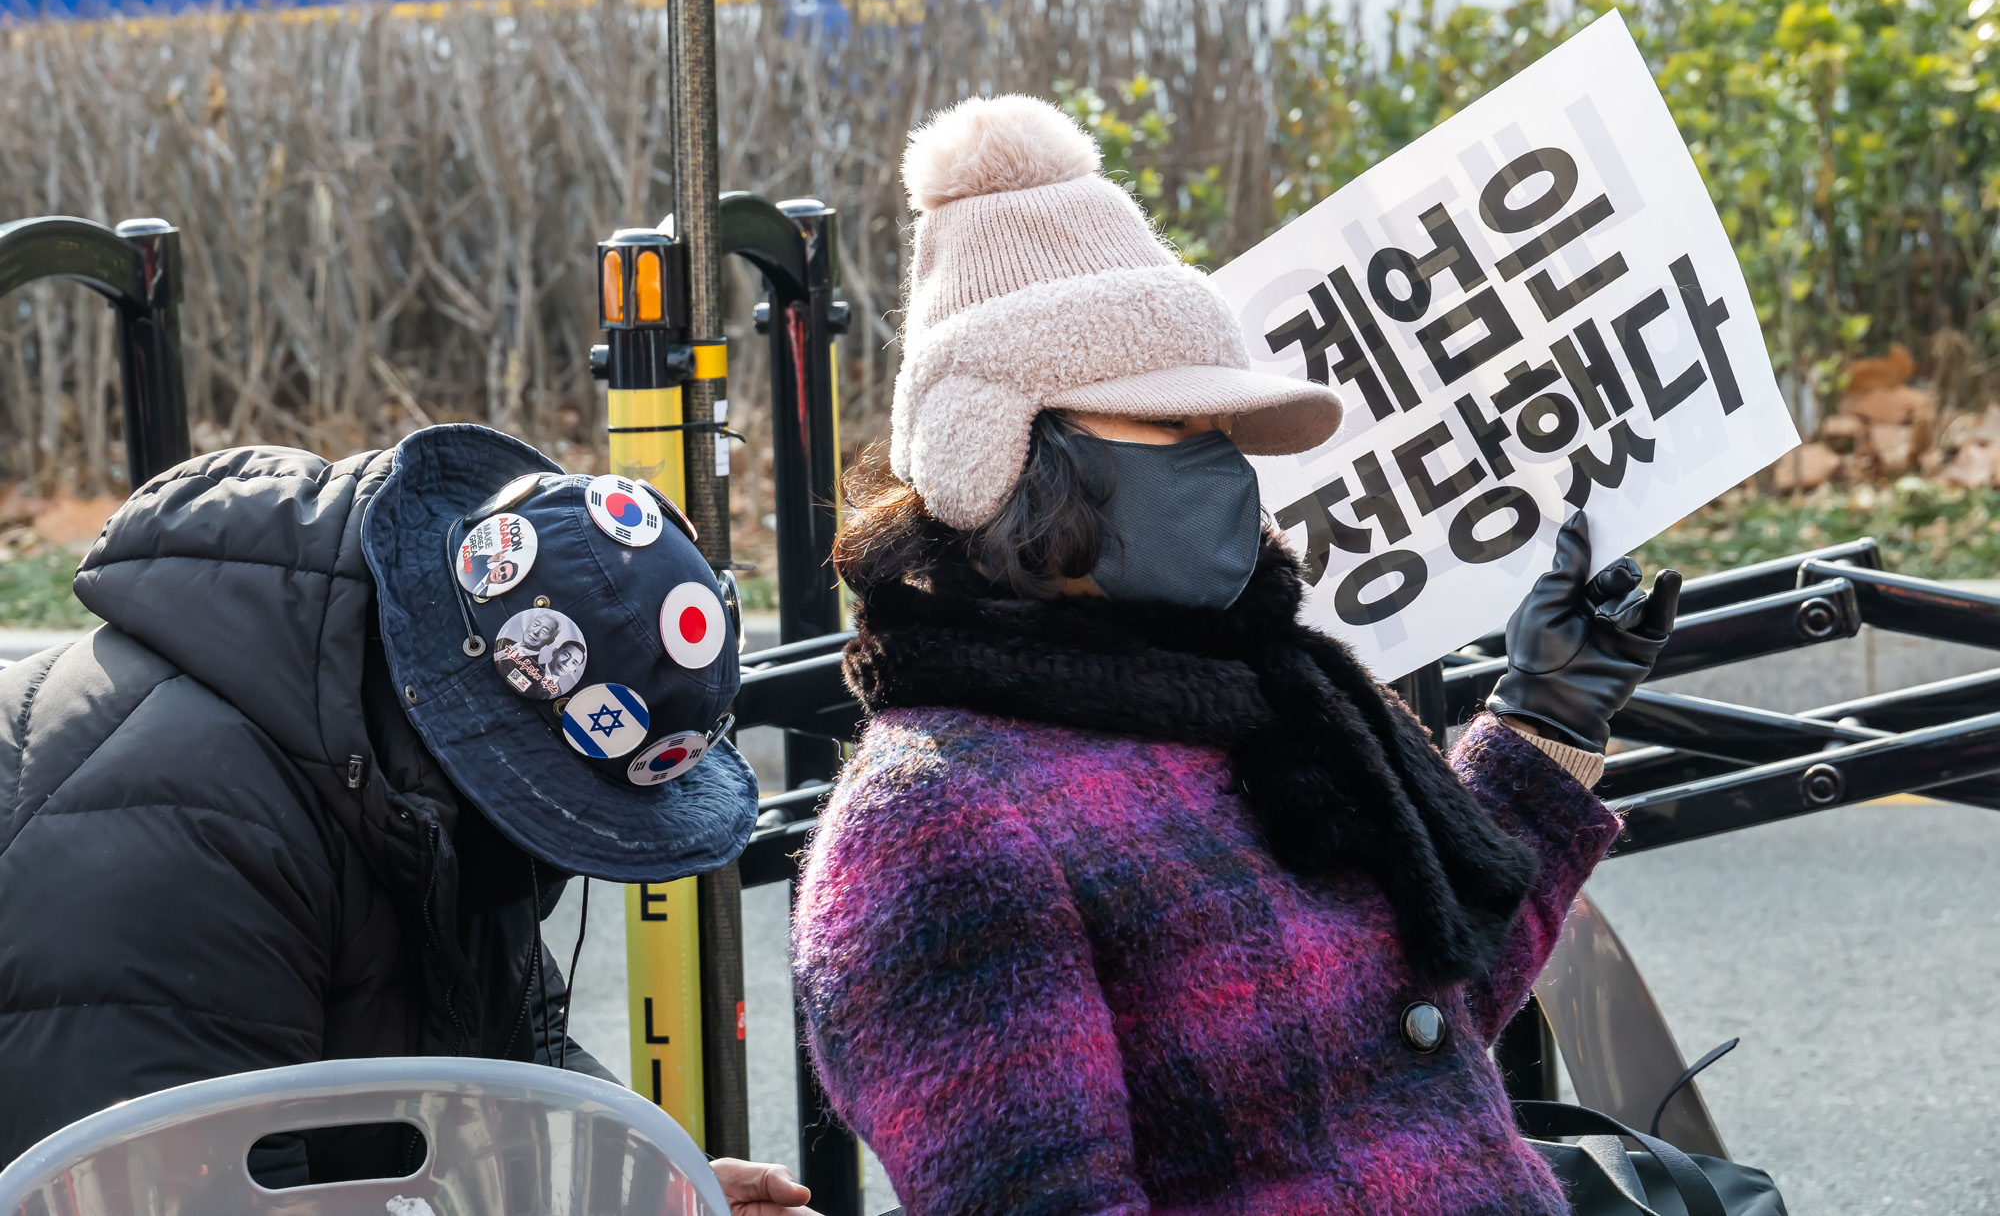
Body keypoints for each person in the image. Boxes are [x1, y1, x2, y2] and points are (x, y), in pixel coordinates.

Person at [792, 95, 1682, 1215]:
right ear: (999, 452)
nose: (1219, 473)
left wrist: (1547, 718)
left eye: (1223, 434)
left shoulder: (1263, 704)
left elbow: (1416, 1030)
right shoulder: (936, 818)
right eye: (1173, 428)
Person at [0, 424, 810, 1212]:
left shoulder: (423, 793)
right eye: (563, 810)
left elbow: (509, 1069)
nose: (564, 846)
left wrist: (649, 1186)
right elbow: (173, 1189)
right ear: (476, 731)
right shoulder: (180, 838)